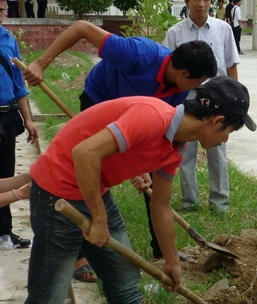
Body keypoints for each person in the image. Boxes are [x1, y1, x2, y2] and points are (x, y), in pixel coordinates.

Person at [14, 76, 256, 304]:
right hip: (56, 193)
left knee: (125, 283)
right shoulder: (151, 116)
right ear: (217, 121)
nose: (226, 139)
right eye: (230, 130)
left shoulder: (176, 144)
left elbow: (161, 205)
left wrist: (171, 261)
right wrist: (98, 218)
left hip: (94, 189)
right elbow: (84, 153)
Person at [24, 20, 218, 280]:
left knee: (155, 185)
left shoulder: (177, 93)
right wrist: (40, 63)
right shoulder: (137, 55)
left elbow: (159, 135)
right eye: (197, 82)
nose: (195, 89)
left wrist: (144, 168)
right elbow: (81, 27)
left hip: (137, 121)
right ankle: (79, 256)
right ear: (183, 72)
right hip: (100, 103)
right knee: (86, 173)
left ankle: (161, 251)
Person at [164, 0, 239, 216]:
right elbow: (168, 70)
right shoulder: (174, 33)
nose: (201, 3)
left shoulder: (223, 29)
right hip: (186, 96)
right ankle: (190, 201)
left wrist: (234, 100)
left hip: (217, 97)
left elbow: (231, 65)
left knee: (217, 151)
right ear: (187, 2)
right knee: (185, 151)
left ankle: (220, 202)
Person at [0, 2, 38, 249]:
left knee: (5, 173)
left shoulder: (7, 38)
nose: (3, 14)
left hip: (6, 117)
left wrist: (28, 119)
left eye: (4, 9)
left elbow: (18, 83)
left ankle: (4, 233)